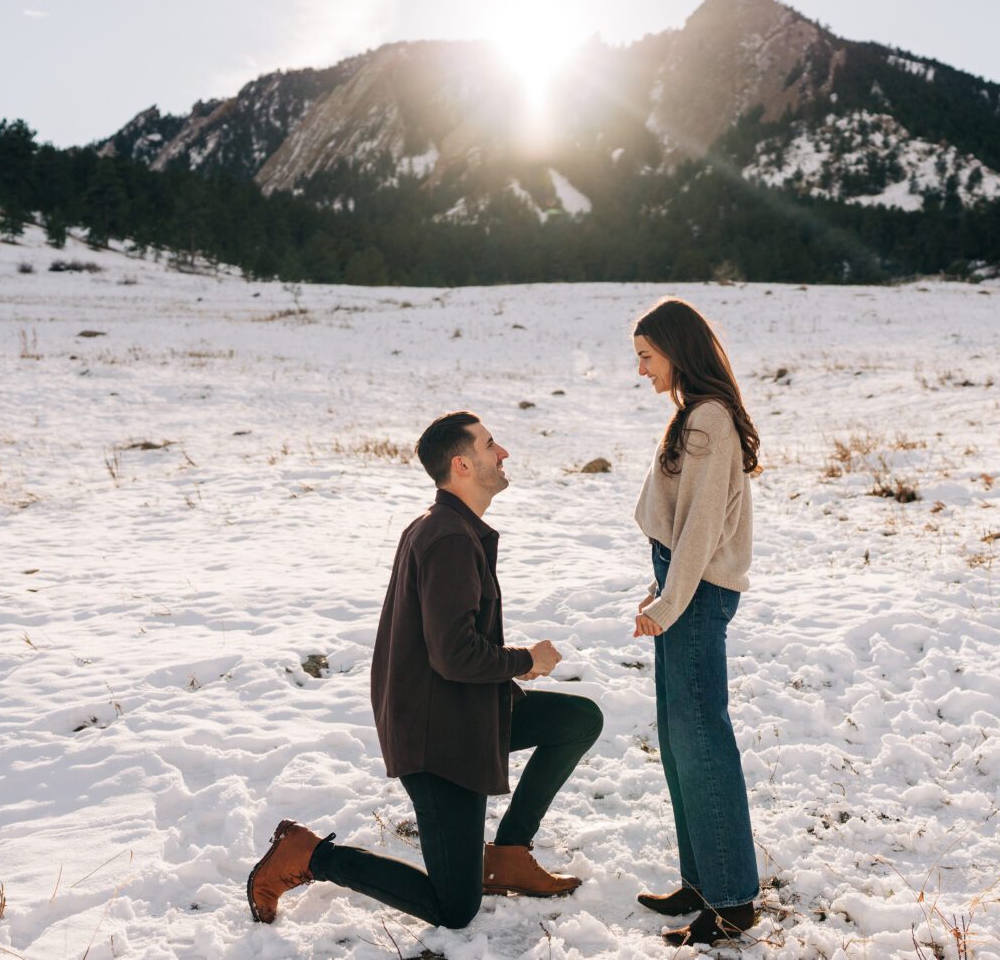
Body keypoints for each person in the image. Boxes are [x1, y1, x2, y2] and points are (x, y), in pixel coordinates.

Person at [246, 411, 603, 930]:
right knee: (453, 908)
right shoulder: (449, 539)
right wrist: (526, 661)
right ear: (462, 464)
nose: (502, 453)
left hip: (466, 716)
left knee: (577, 720)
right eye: (490, 445)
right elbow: (454, 654)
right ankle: (307, 855)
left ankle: (507, 856)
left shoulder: (450, 528)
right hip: (438, 742)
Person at [629, 298, 763, 947]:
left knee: (701, 739)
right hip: (682, 586)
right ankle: (702, 880)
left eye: (647, 357)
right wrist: (660, 586)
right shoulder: (694, 413)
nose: (641, 370)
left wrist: (666, 600)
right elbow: (678, 524)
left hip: (697, 594)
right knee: (681, 739)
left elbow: (702, 529)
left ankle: (731, 900)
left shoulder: (708, 419)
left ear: (677, 350)